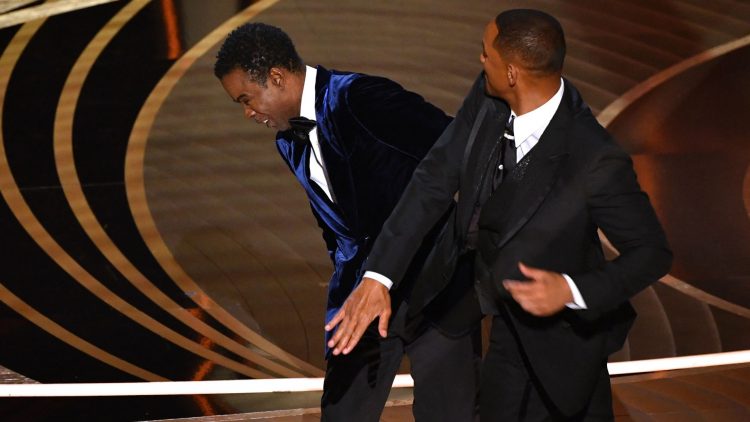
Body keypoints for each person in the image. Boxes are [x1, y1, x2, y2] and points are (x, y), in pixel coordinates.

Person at [326, 9, 673, 421]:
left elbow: (651, 252)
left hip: (561, 340)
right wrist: (378, 276)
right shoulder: (491, 94)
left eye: (485, 53)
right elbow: (434, 178)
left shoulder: (594, 159)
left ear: (512, 73)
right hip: (494, 312)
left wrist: (572, 290)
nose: (480, 60)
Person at [213, 23, 478, 421]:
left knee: (450, 415)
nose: (248, 113)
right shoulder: (288, 141)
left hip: (436, 285)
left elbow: (456, 147)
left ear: (276, 78)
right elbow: (335, 224)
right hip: (359, 297)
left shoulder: (360, 98)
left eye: (246, 99)